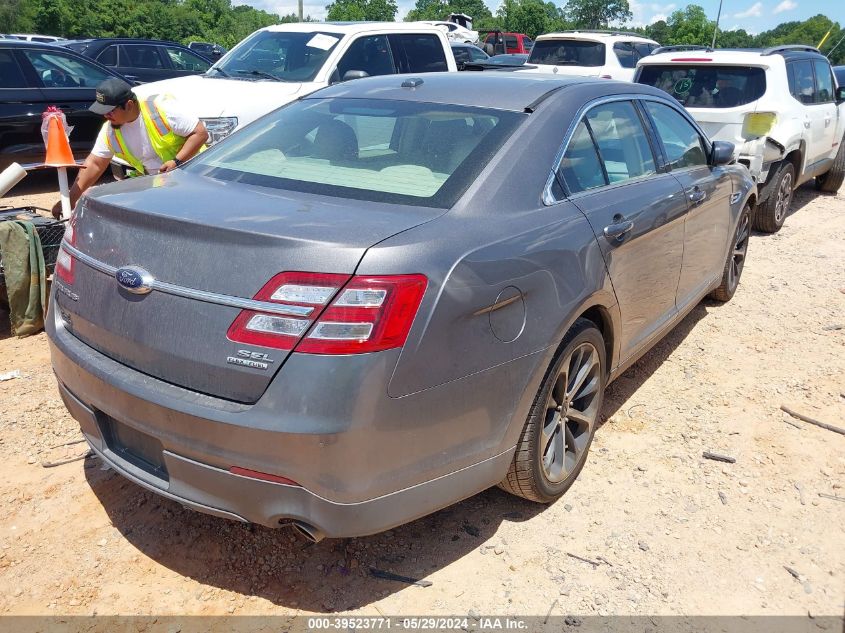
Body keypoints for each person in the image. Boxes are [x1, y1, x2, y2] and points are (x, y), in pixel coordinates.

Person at [52, 77, 208, 218]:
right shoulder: (111, 131)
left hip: (193, 179)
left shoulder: (161, 109)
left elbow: (200, 133)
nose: (106, 116)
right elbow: (95, 163)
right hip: (161, 187)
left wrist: (176, 161)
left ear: (129, 105)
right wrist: (69, 201)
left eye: (110, 111)